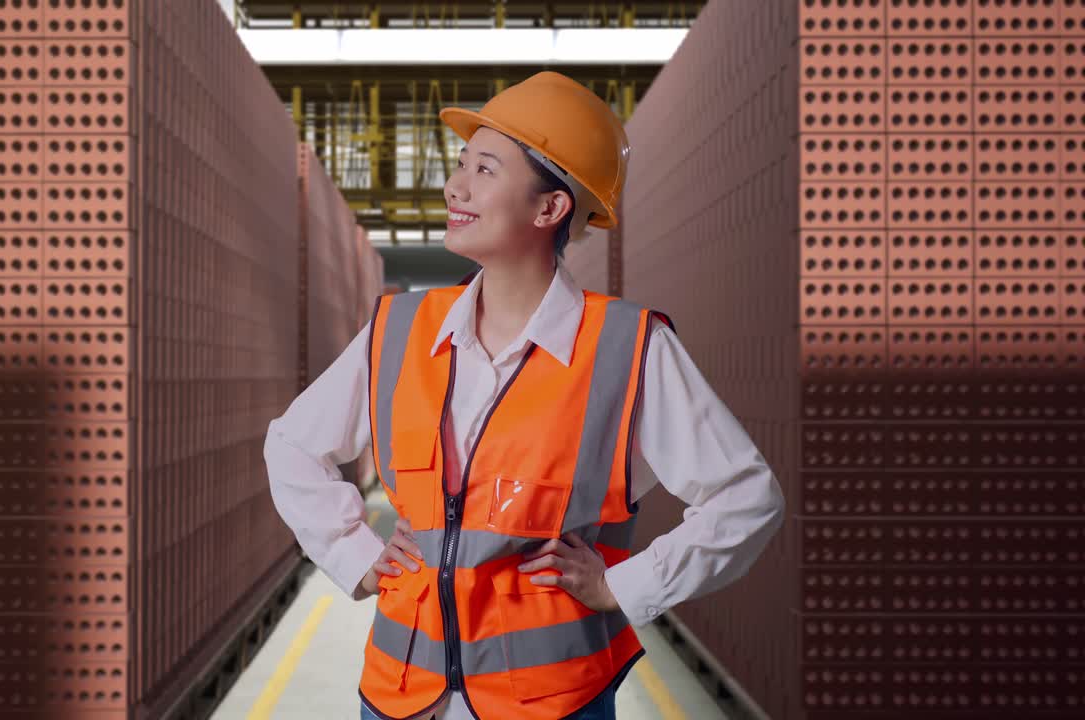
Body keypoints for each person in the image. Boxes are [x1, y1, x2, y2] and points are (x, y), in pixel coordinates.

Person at [264, 71, 786, 720]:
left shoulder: (628, 348)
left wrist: (625, 586)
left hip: (552, 704)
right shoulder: (399, 330)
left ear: (549, 209)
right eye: (460, 165)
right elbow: (290, 444)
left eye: (484, 169)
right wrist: (355, 553)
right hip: (402, 695)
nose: (455, 185)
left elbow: (746, 496)